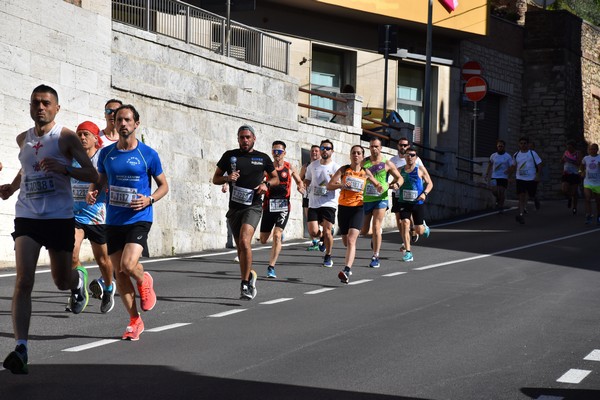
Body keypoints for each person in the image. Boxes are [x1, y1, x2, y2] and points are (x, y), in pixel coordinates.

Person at [0, 85, 98, 374]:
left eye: (46, 103)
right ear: (30, 107)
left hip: (58, 218)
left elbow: (92, 174)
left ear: (57, 108)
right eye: (35, 103)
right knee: (23, 281)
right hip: (28, 216)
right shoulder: (23, 139)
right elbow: (28, 169)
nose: (40, 107)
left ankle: (76, 282)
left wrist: (64, 169)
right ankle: (21, 347)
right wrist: (11, 188)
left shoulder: (65, 137)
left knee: (60, 281)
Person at [88, 104, 169, 341]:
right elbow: (101, 180)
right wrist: (93, 191)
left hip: (139, 217)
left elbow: (164, 185)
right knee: (120, 274)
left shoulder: (148, 154)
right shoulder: (107, 154)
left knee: (128, 264)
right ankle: (134, 321)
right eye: (118, 120)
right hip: (113, 219)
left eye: (127, 120)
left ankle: (144, 279)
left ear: (136, 123)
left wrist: (150, 199)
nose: (122, 124)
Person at [212, 125, 278, 300]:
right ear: (238, 139)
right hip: (235, 208)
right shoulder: (229, 156)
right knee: (241, 248)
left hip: (253, 206)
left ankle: (244, 284)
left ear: (254, 138)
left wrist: (266, 185)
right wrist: (227, 178)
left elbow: (275, 178)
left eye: (248, 137)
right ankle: (250, 276)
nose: (245, 140)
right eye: (242, 137)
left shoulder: (262, 158)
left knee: (244, 241)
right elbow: (215, 178)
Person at [67, 121, 115, 314]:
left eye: (86, 134)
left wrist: (98, 189)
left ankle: (109, 288)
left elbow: (106, 179)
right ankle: (79, 282)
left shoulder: (101, 159)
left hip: (97, 217)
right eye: (79, 134)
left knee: (103, 260)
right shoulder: (71, 159)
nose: (82, 138)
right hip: (75, 215)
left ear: (96, 138)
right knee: (71, 252)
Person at [327, 145, 385, 283]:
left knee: (352, 240)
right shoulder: (343, 170)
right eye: (354, 153)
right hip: (343, 208)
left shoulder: (365, 172)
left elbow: (376, 183)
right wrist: (341, 185)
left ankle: (346, 270)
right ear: (350, 155)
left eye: (359, 153)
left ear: (362, 156)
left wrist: (379, 187)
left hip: (358, 208)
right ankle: (348, 265)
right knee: (346, 241)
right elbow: (329, 185)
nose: (356, 155)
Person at [259, 141, 305, 278]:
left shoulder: (289, 167)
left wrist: (300, 186)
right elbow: (259, 180)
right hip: (268, 205)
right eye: (274, 151)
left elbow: (298, 180)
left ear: (284, 153)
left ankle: (271, 267)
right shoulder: (267, 168)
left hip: (283, 206)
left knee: (277, 235)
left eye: (279, 152)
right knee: (262, 240)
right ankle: (278, 236)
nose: (276, 154)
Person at [360, 137, 401, 268]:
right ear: (369, 148)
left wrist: (396, 185)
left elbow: (399, 178)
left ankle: (375, 256)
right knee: (365, 230)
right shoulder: (364, 163)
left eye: (376, 146)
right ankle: (375, 237)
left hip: (381, 198)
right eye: (372, 146)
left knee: (377, 226)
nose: (374, 149)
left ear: (381, 148)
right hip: (366, 199)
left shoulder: (387, 163)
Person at [391, 146, 433, 262]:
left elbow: (430, 184)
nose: (410, 157)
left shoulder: (421, 169)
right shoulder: (399, 170)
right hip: (404, 201)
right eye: (407, 155)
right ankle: (408, 252)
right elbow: (394, 182)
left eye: (412, 155)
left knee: (418, 230)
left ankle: (424, 228)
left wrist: (424, 193)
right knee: (404, 222)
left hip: (417, 202)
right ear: (404, 156)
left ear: (416, 157)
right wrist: (393, 185)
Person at [304, 139, 340, 268]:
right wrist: (304, 185)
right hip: (314, 202)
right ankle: (322, 239)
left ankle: (328, 256)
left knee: (327, 231)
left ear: (332, 151)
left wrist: (332, 185)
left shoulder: (335, 167)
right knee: (313, 232)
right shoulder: (313, 165)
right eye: (323, 148)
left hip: (329, 203)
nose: (325, 150)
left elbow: (340, 185)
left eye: (328, 148)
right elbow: (307, 179)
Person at [390, 137, 426, 245]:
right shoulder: (393, 160)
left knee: (409, 218)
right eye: (401, 145)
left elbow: (422, 176)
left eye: (405, 145)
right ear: (397, 146)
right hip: (397, 194)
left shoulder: (416, 159)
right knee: (400, 219)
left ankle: (416, 229)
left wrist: (419, 190)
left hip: (413, 195)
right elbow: (393, 178)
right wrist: (391, 185)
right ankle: (404, 242)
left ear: (408, 146)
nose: (403, 147)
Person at [511, 137, 542, 224]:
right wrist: (509, 175)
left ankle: (535, 198)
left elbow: (539, 164)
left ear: (527, 144)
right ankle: (521, 214)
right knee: (521, 197)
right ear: (519, 144)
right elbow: (513, 166)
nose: (523, 145)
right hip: (520, 179)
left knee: (531, 195)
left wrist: (538, 175)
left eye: (525, 143)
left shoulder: (532, 153)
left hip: (531, 179)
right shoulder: (516, 155)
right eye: (521, 143)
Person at [299, 144, 321, 247]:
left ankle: (326, 230)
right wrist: (301, 187)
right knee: (310, 219)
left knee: (320, 219)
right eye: (312, 151)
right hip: (307, 196)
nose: (314, 153)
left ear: (320, 153)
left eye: (316, 151)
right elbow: (300, 180)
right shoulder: (306, 166)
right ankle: (315, 242)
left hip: (320, 196)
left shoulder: (323, 165)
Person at [484, 140, 514, 213]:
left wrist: (509, 175)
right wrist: (487, 173)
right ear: (497, 147)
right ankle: (498, 199)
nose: (500, 147)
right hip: (494, 176)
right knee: (494, 191)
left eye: (501, 146)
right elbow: (490, 164)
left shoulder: (508, 156)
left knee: (501, 192)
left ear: (504, 147)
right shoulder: (493, 155)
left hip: (503, 177)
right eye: (498, 146)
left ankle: (500, 207)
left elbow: (512, 166)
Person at [561, 140, 582, 215]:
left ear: (573, 147)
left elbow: (579, 163)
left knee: (574, 193)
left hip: (575, 174)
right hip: (566, 173)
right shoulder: (566, 152)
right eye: (567, 147)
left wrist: (570, 160)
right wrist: (563, 160)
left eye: (570, 147)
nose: (568, 149)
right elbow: (562, 161)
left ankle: (574, 207)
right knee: (564, 190)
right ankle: (569, 198)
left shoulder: (578, 153)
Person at [580, 143, 600, 225]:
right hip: (588, 182)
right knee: (587, 198)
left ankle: (599, 216)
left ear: (597, 150)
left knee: (598, 202)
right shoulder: (586, 158)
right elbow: (581, 166)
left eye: (594, 149)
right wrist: (581, 172)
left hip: (598, 183)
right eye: (591, 149)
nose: (592, 150)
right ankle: (588, 215)